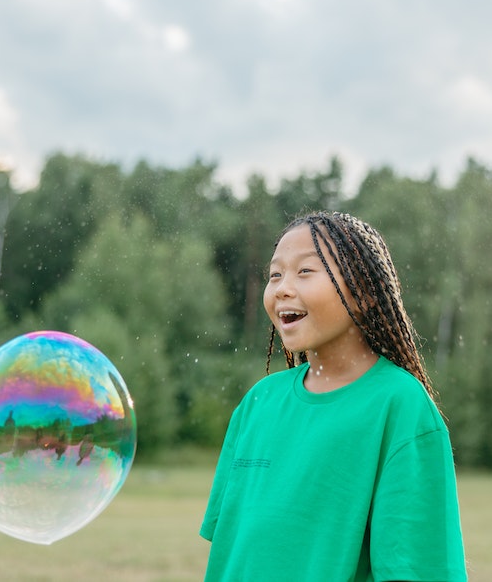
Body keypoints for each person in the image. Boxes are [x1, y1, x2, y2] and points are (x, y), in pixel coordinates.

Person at [200, 211, 467, 581]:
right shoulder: (259, 402)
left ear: (365, 294)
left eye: (305, 271)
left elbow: (417, 568)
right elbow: (234, 548)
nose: (282, 288)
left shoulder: (399, 404)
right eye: (275, 274)